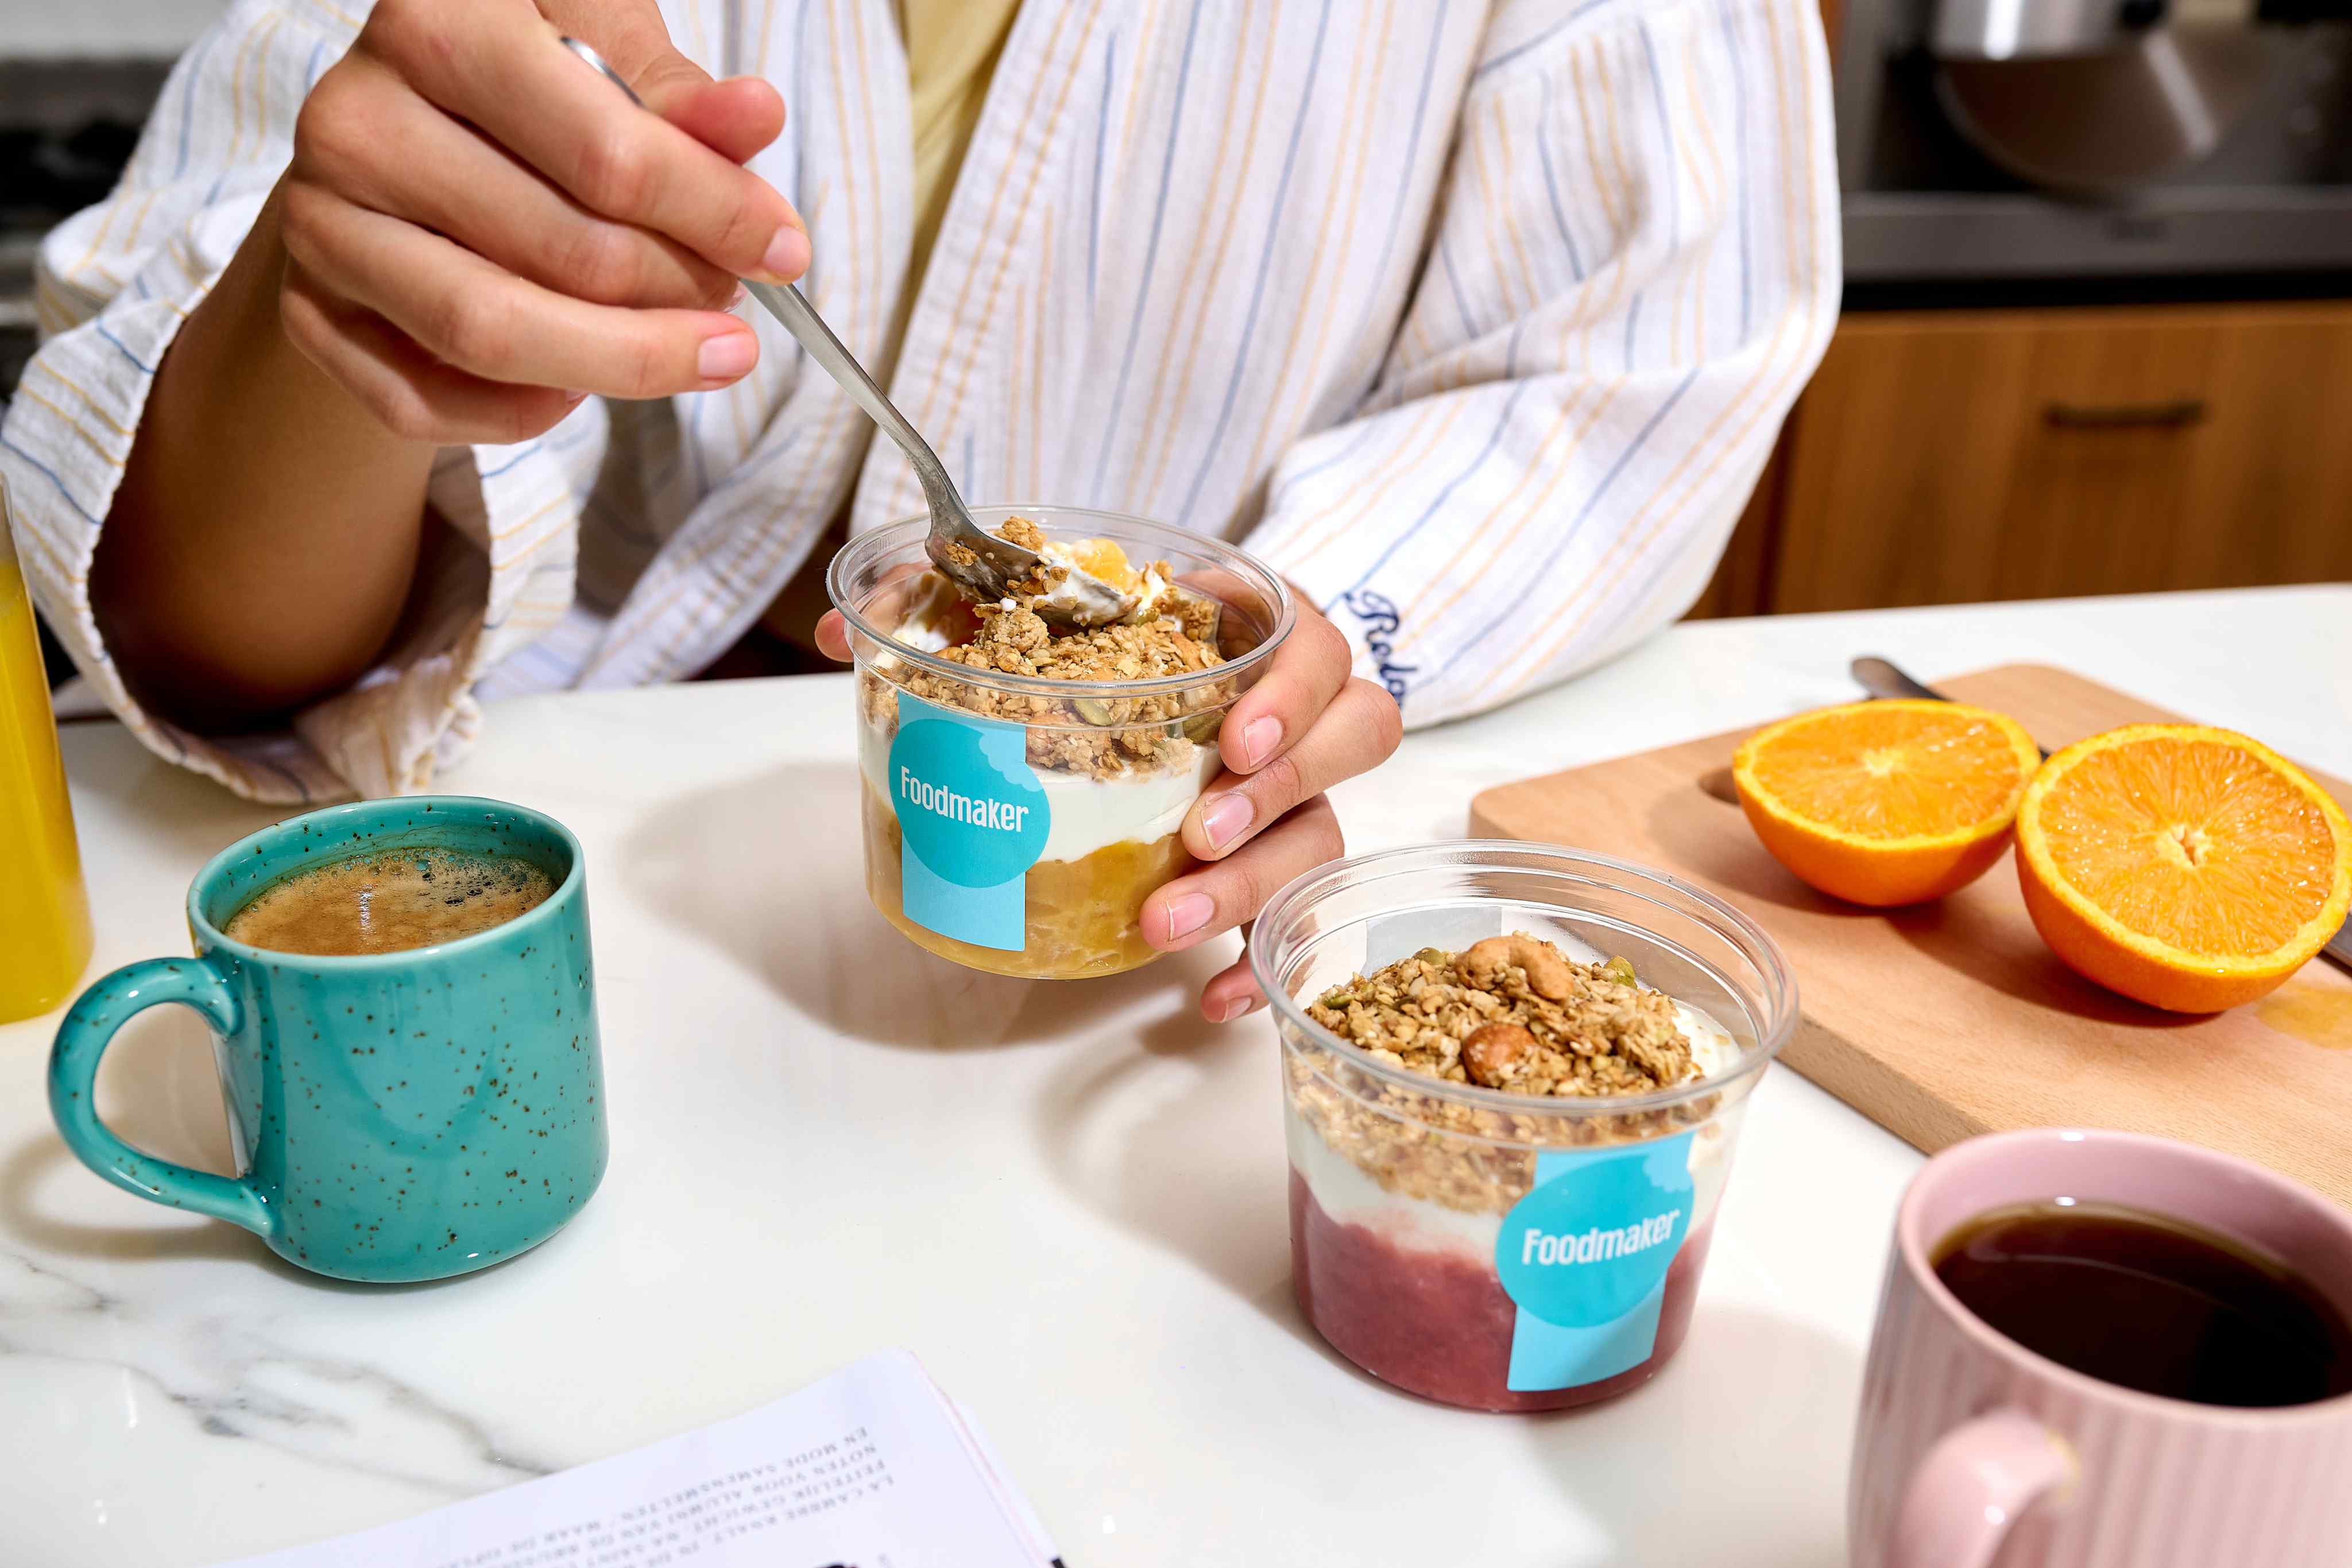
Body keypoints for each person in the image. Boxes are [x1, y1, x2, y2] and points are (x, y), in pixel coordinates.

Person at [1, 0, 1838, 1021]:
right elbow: (192, 629)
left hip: (1144, 965)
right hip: (540, 899)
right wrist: (338, 319)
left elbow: (1634, 360)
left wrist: (1306, 644)